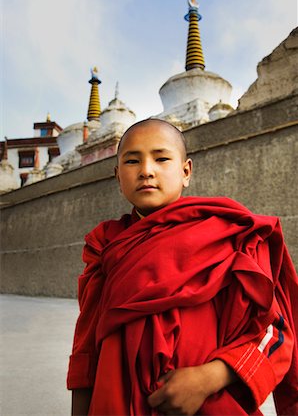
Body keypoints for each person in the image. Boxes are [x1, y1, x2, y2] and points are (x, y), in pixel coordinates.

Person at [67, 119, 298, 416]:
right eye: (132, 161)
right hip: (119, 403)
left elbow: (274, 331)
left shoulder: (230, 235)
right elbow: (86, 347)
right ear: (117, 176)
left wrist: (209, 377)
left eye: (161, 158)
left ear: (186, 171)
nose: (147, 170)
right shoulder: (105, 247)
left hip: (208, 403)